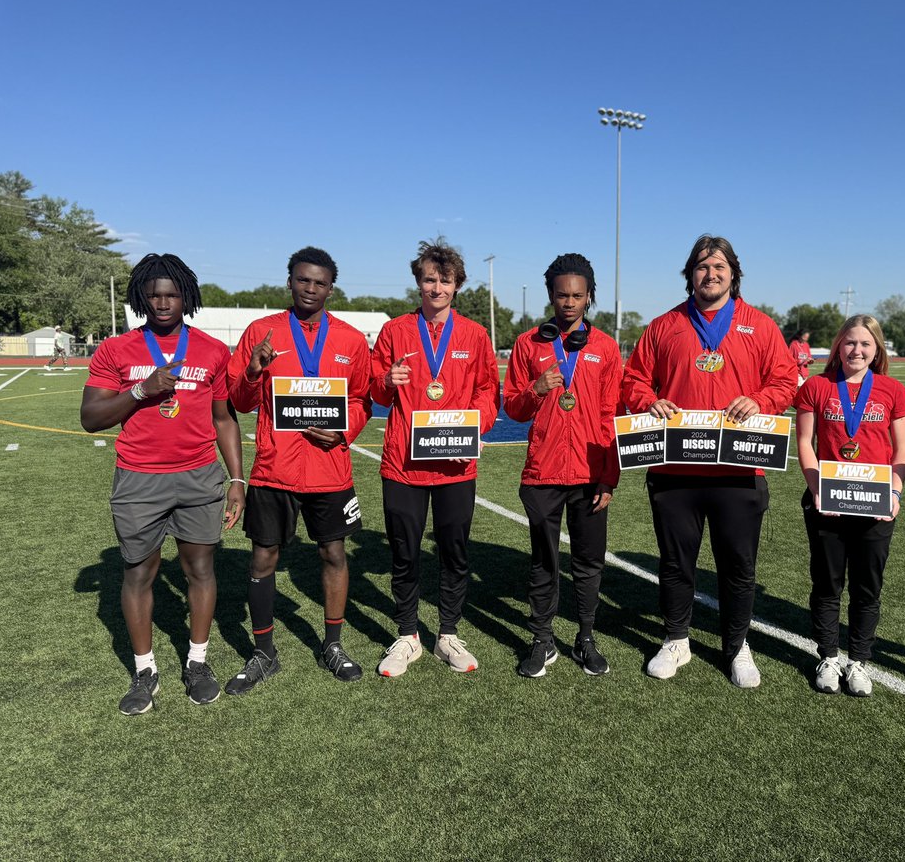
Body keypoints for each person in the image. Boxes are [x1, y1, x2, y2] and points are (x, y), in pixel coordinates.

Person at [622, 234, 799, 688]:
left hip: (739, 469)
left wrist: (760, 401)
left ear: (733, 274)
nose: (711, 274)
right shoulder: (663, 325)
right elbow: (633, 381)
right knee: (675, 562)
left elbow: (786, 383)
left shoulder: (760, 326)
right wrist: (648, 402)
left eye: (719, 266)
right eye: (702, 266)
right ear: (690, 275)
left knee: (738, 566)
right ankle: (676, 638)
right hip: (675, 470)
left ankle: (737, 644)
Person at [81, 253, 245, 714]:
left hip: (198, 477)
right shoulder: (116, 350)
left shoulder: (212, 350)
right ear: (141, 298)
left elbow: (224, 419)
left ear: (186, 297)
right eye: (154, 294)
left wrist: (236, 477)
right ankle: (145, 669)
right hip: (139, 478)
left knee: (200, 570)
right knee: (138, 572)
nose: (163, 302)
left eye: (172, 294)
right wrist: (140, 390)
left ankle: (197, 662)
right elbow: (91, 419)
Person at [225, 247, 372, 694]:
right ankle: (264, 653)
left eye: (320, 283)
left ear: (332, 287)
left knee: (333, 555)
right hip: (275, 469)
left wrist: (344, 432)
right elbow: (239, 400)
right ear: (289, 281)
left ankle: (332, 644)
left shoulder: (349, 338)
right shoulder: (262, 332)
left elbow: (363, 399)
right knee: (264, 557)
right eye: (303, 280)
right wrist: (253, 370)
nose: (311, 289)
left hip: (330, 469)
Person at [370, 238, 499, 677]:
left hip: (455, 464)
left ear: (457, 285)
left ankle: (446, 632)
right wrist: (387, 379)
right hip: (403, 463)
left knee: (454, 550)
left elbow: (488, 392)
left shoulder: (475, 335)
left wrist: (472, 425)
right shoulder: (394, 331)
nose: (436, 288)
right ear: (418, 282)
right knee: (405, 551)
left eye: (444, 280)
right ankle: (408, 635)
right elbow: (374, 390)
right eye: (429, 279)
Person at [503, 253, 622, 678]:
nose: (569, 303)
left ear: (589, 297)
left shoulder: (606, 347)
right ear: (550, 296)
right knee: (543, 561)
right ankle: (542, 638)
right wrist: (535, 389)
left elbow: (611, 415)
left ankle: (586, 637)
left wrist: (610, 475)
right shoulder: (527, 344)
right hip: (542, 473)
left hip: (591, 473)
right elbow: (513, 409)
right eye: (561, 295)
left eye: (577, 295)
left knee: (589, 562)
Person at [795, 315, 905, 697]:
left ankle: (858, 660)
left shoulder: (893, 390)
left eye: (865, 344)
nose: (856, 350)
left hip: (875, 504)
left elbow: (903, 452)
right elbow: (806, 444)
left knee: (867, 587)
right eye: (849, 343)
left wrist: (894, 494)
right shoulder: (816, 386)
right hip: (827, 502)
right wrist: (817, 489)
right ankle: (828, 655)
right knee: (828, 583)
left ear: (876, 348)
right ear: (837, 347)